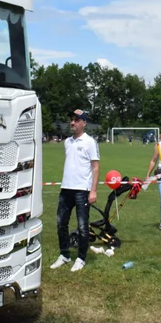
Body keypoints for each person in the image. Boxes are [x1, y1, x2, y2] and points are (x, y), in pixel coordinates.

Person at [49, 110, 100, 273]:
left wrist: (93, 191)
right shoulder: (67, 142)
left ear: (84, 123)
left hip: (82, 191)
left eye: (76, 120)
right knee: (60, 223)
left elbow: (95, 167)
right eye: (71, 120)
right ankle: (65, 255)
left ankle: (81, 258)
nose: (72, 123)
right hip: (66, 189)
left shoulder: (90, 142)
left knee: (83, 226)